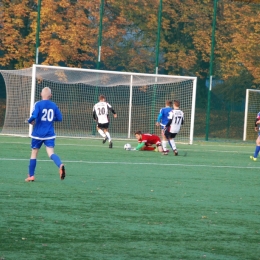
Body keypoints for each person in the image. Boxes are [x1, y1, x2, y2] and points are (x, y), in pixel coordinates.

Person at [25, 87, 65, 182]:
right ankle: (60, 165)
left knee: (34, 153)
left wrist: (29, 121)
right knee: (51, 153)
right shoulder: (54, 105)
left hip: (38, 134)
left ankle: (31, 176)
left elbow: (34, 116)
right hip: (49, 134)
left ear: (41, 94)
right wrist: (50, 119)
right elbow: (59, 118)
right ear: (50, 95)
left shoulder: (38, 104)